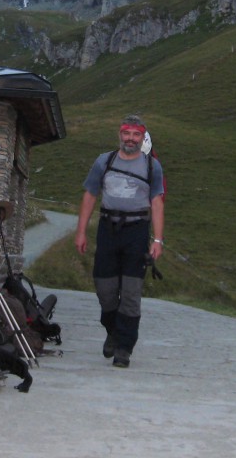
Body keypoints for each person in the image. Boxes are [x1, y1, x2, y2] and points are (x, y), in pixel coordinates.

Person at [75, 114, 165, 368]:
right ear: (119, 134)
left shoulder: (151, 167)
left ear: (142, 137)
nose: (131, 139)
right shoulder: (105, 161)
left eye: (136, 135)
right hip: (107, 228)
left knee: (131, 292)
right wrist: (81, 231)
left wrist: (157, 240)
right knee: (105, 290)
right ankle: (113, 330)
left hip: (137, 230)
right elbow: (90, 194)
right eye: (127, 133)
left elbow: (157, 203)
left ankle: (124, 347)